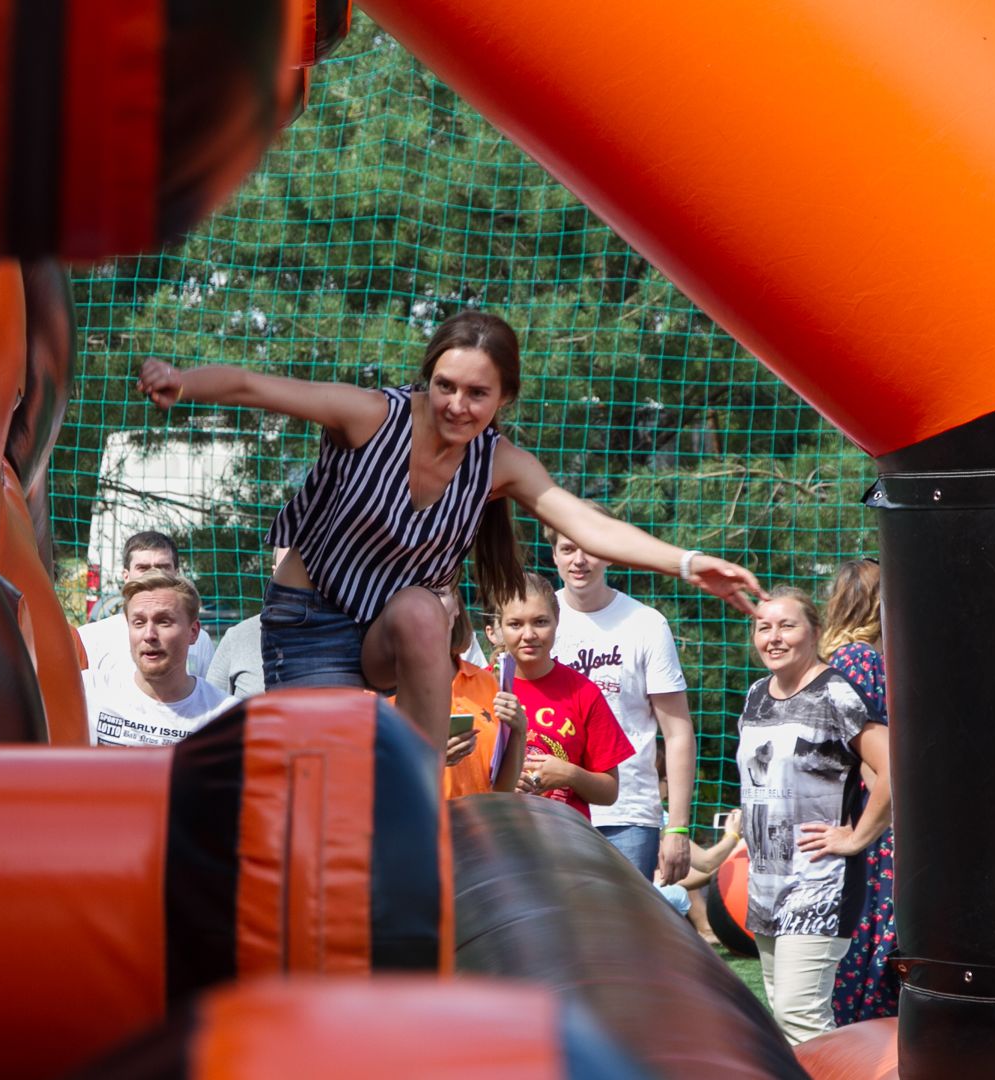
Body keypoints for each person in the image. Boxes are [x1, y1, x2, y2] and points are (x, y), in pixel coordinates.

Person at [137, 311, 765, 752]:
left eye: (476, 393)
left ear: (504, 398)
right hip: (311, 623)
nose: (457, 406)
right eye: (445, 386)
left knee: (423, 607)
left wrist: (688, 563)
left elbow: (584, 522)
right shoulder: (372, 416)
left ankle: (418, 795)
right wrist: (182, 381)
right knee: (330, 762)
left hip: (389, 631)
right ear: (428, 379)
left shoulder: (499, 464)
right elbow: (254, 386)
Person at [738, 586, 890, 1044]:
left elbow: (896, 767)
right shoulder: (756, 695)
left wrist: (857, 837)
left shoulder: (835, 692)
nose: (773, 638)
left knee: (800, 1015)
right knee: (784, 1021)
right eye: (763, 627)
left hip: (819, 883)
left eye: (787, 626)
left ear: (815, 631)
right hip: (766, 885)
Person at [550, 512, 697, 883]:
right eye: (567, 549)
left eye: (590, 548)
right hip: (549, 812)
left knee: (623, 923)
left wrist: (677, 826)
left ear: (610, 553)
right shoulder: (536, 621)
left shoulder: (645, 624)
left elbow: (677, 732)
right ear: (553, 555)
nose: (579, 560)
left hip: (627, 816)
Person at [820, 558, 899, 1025]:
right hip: (876, 816)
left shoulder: (848, 658)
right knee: (874, 929)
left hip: (874, 810)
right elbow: (867, 753)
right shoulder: (860, 660)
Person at [485, 573, 633, 818]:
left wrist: (569, 774)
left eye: (540, 622)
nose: (529, 634)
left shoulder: (582, 692)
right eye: (515, 624)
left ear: (557, 621)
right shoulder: (477, 686)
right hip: (492, 831)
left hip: (562, 835)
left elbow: (609, 792)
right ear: (496, 630)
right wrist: (504, 779)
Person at [82, 571, 236, 747]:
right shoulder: (88, 691)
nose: (149, 635)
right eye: (139, 622)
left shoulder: (226, 717)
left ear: (193, 632)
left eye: (164, 621)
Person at [79, 531, 215, 679]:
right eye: (143, 568)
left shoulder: (199, 640)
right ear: (126, 576)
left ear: (176, 574)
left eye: (163, 567)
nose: (153, 574)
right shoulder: (91, 638)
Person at [442, 595, 527, 797]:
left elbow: (503, 790)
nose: (427, 601)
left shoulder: (486, 682)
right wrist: (430, 760)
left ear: (456, 606)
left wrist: (519, 731)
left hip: (486, 815)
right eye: (419, 589)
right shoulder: (383, 692)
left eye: (439, 591)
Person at [206, 548, 289, 699]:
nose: (297, 578)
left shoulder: (336, 635)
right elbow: (209, 706)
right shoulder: (237, 637)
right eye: (288, 566)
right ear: (274, 572)